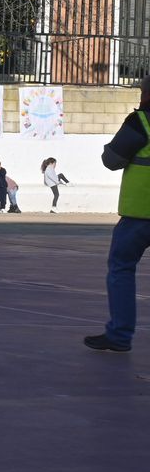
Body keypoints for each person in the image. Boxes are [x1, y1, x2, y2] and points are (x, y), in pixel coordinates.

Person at [92, 81, 150, 352]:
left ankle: (120, 334)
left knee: (121, 268)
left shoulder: (140, 121)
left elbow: (112, 160)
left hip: (140, 214)